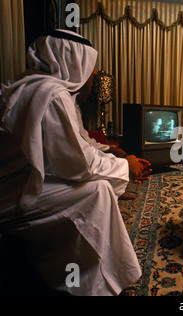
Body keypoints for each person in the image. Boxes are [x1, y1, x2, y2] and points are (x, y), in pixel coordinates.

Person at [0, 29, 151, 295]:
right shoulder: (53, 94)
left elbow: (81, 144)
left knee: (102, 184)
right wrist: (125, 168)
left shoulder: (37, 87)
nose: (93, 75)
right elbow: (78, 166)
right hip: (12, 193)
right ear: (73, 61)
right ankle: (87, 285)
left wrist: (117, 156)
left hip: (22, 181)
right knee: (98, 191)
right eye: (90, 67)